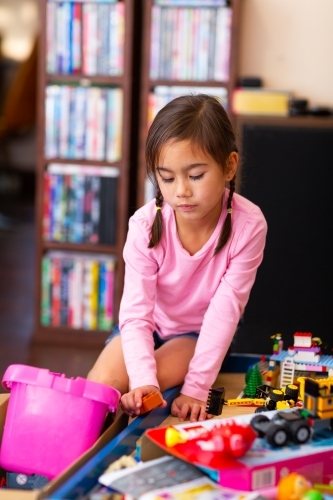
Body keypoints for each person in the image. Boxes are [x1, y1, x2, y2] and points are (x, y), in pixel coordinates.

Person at [87, 94, 267, 422]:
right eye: (167, 178)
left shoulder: (249, 224)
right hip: (145, 325)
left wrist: (196, 389)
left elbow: (225, 312)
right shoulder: (144, 225)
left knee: (143, 388)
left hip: (195, 335)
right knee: (100, 391)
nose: (180, 190)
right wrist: (143, 381)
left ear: (229, 166)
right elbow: (136, 313)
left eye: (195, 175)